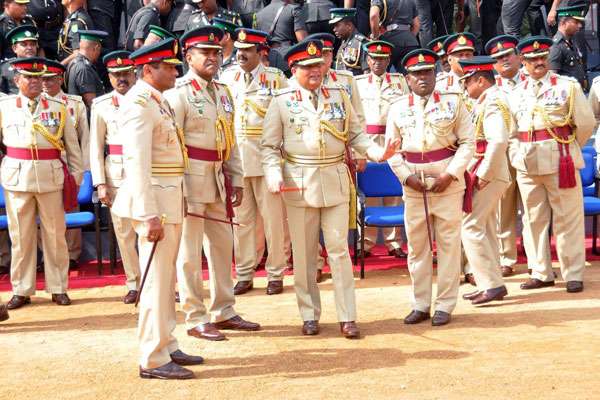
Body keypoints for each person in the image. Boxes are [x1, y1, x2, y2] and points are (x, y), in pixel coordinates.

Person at [261, 39, 399, 338]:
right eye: (308, 67)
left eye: (318, 65)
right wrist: (273, 173)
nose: (315, 71)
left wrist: (378, 154)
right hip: (298, 183)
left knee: (339, 251)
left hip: (335, 180)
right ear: (293, 68)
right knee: (305, 254)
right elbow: (269, 146)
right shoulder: (281, 100)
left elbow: (356, 135)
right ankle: (309, 314)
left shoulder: (338, 95)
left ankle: (347, 316)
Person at [111, 38, 204, 380]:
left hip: (168, 198)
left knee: (167, 282)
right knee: (155, 282)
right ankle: (152, 356)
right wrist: (148, 212)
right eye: (169, 67)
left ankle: (166, 343)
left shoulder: (156, 100)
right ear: (148, 69)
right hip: (154, 204)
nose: (175, 72)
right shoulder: (138, 104)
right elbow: (136, 163)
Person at [164, 26, 261, 342]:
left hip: (219, 177)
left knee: (222, 247)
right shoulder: (177, 94)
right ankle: (195, 315)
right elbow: (171, 145)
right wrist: (178, 187)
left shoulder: (223, 91)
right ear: (188, 56)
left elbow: (229, 139)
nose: (212, 57)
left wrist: (236, 176)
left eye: (217, 52)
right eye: (204, 52)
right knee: (189, 254)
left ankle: (224, 309)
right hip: (191, 179)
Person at [386, 48, 474, 326]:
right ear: (407, 79)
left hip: (446, 181)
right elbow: (392, 150)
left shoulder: (454, 102)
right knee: (417, 247)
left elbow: (468, 143)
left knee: (449, 245)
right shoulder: (398, 107)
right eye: (416, 74)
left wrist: (450, 174)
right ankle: (421, 303)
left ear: (435, 74)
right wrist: (404, 177)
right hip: (414, 184)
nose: (423, 78)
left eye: (427, 72)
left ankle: (445, 305)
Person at [509, 36, 593, 293]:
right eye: (532, 59)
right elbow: (512, 131)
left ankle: (573, 273)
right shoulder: (516, 92)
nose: (538, 62)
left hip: (560, 160)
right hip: (527, 163)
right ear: (523, 62)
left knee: (568, 219)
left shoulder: (568, 86)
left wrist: (566, 146)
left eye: (542, 57)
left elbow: (586, 123)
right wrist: (516, 156)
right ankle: (540, 270)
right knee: (533, 219)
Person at [2, 57, 84, 310]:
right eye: (29, 77)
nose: (35, 82)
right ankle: (21, 289)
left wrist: (77, 178)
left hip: (51, 177)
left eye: (38, 77)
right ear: (17, 80)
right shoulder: (5, 106)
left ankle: (58, 287)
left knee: (55, 235)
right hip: (17, 177)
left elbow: (73, 148)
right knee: (21, 237)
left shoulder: (58, 107)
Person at [220, 28, 288, 296]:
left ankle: (275, 274)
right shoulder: (227, 78)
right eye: (238, 50)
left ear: (261, 52)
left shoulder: (276, 79)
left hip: (267, 159)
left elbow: (287, 116)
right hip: (238, 161)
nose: (241, 55)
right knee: (242, 221)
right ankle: (245, 273)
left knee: (273, 221)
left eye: (247, 50)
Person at [458, 56, 511, 305]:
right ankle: (490, 282)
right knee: (486, 228)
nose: (465, 87)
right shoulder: (485, 101)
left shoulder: (493, 101)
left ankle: (491, 284)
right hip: (485, 170)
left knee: (470, 226)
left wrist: (484, 174)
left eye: (468, 81)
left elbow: (498, 140)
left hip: (489, 173)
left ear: (481, 80)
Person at [89, 50, 141, 303]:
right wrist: (100, 183)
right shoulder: (100, 105)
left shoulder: (147, 98)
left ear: (134, 73)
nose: (122, 79)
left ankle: (159, 282)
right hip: (117, 174)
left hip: (145, 172)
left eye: (126, 73)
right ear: (108, 77)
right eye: (116, 74)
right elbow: (95, 148)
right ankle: (134, 282)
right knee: (124, 232)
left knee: (151, 230)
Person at [355, 40, 408, 258]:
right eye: (374, 58)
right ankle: (364, 243)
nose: (378, 62)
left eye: (382, 59)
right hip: (367, 141)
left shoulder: (399, 81)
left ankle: (393, 242)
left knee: (394, 192)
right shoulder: (357, 82)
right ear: (367, 60)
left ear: (388, 60)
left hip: (392, 139)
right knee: (367, 193)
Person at [485, 34, 530, 277]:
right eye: (498, 58)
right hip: (501, 153)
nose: (503, 60)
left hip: (527, 150)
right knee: (503, 208)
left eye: (507, 55)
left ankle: (535, 260)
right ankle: (506, 258)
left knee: (533, 209)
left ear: (519, 57)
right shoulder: (489, 88)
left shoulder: (531, 81)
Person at [42, 59, 90, 268]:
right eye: (42, 79)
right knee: (42, 212)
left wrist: (85, 171)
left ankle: (71, 254)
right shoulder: (34, 103)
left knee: (70, 208)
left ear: (60, 79)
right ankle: (46, 255)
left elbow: (85, 139)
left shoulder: (74, 103)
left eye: (50, 79)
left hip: (70, 163)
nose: (45, 83)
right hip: (44, 162)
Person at [254, 0, 308, 75]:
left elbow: (257, 43)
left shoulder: (258, 15)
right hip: (288, 59)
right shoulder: (294, 9)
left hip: (266, 60)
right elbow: (303, 42)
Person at [368, 0, 420, 71]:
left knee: (382, 76)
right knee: (408, 77)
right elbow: (417, 25)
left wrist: (375, 37)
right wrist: (409, 36)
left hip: (388, 42)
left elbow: (373, 15)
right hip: (410, 42)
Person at [548, 5, 588, 90]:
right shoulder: (556, 46)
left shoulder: (570, 41)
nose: (580, 25)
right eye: (576, 22)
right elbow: (552, 78)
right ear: (564, 23)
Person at [65, 30, 106, 107]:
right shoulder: (84, 68)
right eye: (99, 50)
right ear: (96, 48)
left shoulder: (74, 62)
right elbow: (91, 103)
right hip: (87, 117)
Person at [1, 24, 39, 95]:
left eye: (32, 44)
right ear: (14, 48)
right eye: (24, 45)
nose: (29, 47)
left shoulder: (44, 66)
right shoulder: (4, 68)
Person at [331, 8, 368, 75]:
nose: (334, 29)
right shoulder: (344, 42)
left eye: (337, 25)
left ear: (349, 26)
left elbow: (367, 71)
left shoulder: (361, 43)